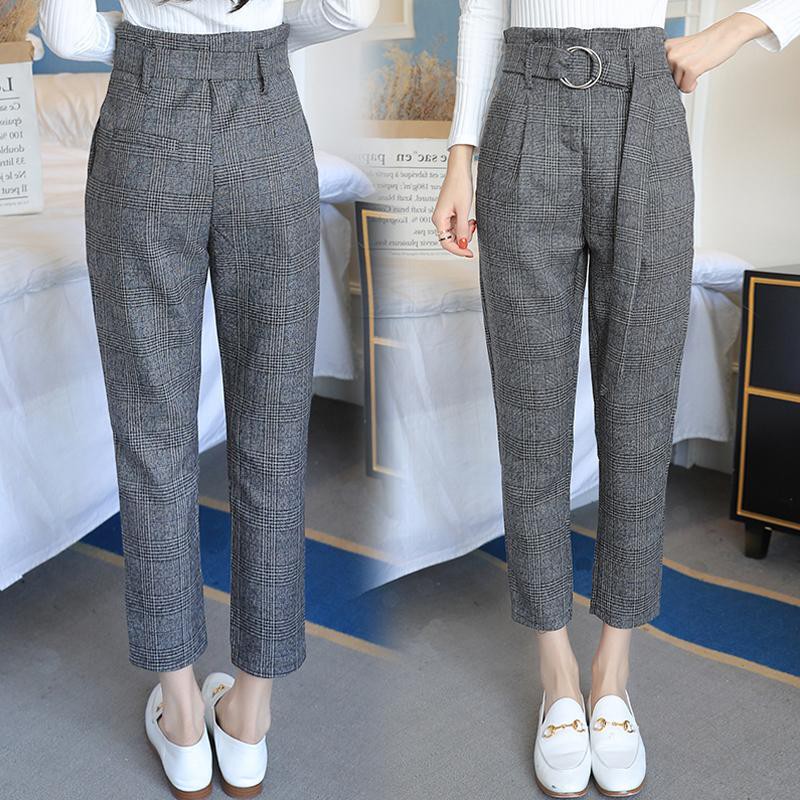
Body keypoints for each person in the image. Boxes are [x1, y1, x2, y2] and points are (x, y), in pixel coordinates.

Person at [432, 1, 799, 797]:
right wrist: (460, 154)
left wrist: (731, 30)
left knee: (639, 415)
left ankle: (612, 672)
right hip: (523, 108)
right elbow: (483, 7)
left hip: (645, 112)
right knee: (530, 416)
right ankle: (557, 674)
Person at [37, 2, 378, 798]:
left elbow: (68, 34)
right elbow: (347, 8)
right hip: (267, 130)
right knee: (274, 433)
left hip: (146, 128)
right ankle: (249, 718)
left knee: (152, 433)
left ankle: (184, 719)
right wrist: (255, 44)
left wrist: (151, 46)